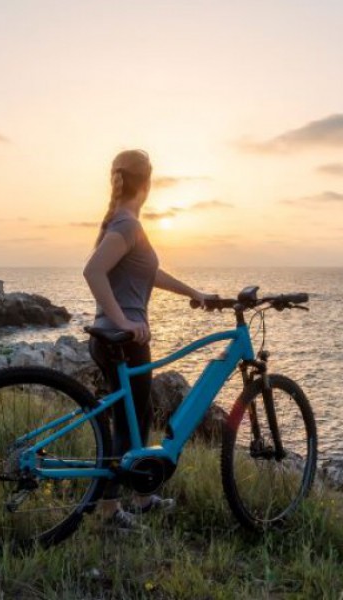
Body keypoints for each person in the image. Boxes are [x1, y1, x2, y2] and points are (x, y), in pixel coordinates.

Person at [83, 149, 211, 530]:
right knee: (127, 425)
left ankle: (141, 496)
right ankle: (109, 513)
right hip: (123, 338)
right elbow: (92, 271)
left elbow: (146, 273)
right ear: (148, 183)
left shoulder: (122, 222)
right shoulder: (127, 225)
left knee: (135, 420)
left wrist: (193, 293)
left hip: (110, 337)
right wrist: (123, 319)